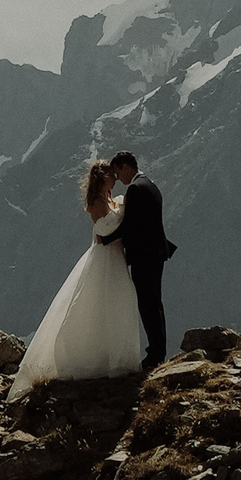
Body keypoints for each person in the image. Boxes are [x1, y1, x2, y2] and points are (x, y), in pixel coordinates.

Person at [7, 158, 148, 399]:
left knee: (118, 303)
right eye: (111, 175)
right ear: (102, 177)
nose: (115, 178)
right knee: (99, 304)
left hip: (115, 258)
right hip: (105, 259)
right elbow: (104, 230)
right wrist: (123, 212)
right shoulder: (97, 201)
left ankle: (118, 358)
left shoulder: (110, 199)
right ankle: (100, 359)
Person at [100, 149, 174, 369]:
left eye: (117, 172)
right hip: (156, 252)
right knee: (155, 302)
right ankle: (158, 350)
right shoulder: (149, 183)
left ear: (125, 167)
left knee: (147, 304)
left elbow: (130, 224)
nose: (118, 178)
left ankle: (155, 354)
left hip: (144, 255)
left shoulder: (135, 188)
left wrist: (106, 239)